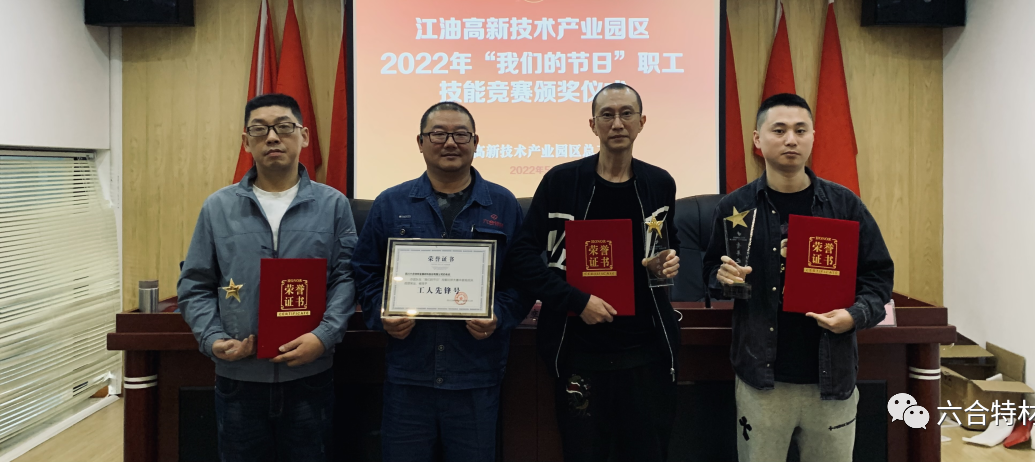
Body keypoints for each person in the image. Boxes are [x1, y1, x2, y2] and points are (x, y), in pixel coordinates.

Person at [702, 93, 894, 462]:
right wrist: (723, 278)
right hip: (762, 381)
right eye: (779, 130)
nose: (791, 139)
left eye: (800, 130)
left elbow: (878, 279)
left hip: (831, 379)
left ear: (812, 137)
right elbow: (710, 272)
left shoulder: (845, 206)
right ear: (758, 139)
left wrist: (854, 315)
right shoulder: (734, 207)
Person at [501, 83, 681, 462]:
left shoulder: (659, 183)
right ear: (592, 124)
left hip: (644, 354)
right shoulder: (562, 181)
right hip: (579, 352)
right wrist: (576, 300)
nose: (617, 123)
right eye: (607, 115)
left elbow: (665, 248)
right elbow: (522, 255)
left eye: (627, 113)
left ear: (642, 122)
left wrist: (665, 263)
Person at [177, 93, 357, 462]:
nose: (272, 137)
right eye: (260, 130)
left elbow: (346, 278)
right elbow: (194, 285)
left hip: (310, 376)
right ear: (246, 142)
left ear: (304, 136)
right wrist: (212, 338)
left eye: (284, 127)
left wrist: (323, 336)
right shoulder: (218, 207)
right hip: (239, 379)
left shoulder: (333, 204)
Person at [351, 101, 530, 462]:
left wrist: (498, 313)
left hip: (475, 376)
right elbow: (365, 271)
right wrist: (381, 311)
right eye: (438, 134)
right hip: (409, 375)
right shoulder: (390, 203)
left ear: (475, 142)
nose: (450, 142)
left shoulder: (503, 205)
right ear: (420, 142)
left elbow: (525, 279)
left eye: (461, 134)